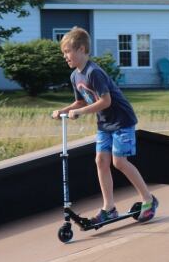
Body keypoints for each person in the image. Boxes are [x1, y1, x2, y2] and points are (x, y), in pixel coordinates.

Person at [51, 27, 158, 224]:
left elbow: (105, 101)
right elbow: (81, 102)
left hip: (121, 120)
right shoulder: (75, 76)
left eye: (68, 51)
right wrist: (64, 111)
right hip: (104, 123)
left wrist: (81, 113)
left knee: (119, 162)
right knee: (101, 161)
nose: (65, 56)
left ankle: (148, 200)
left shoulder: (94, 72)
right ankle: (109, 208)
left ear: (82, 49)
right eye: (64, 53)